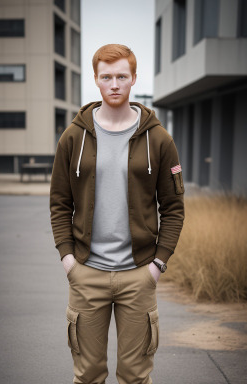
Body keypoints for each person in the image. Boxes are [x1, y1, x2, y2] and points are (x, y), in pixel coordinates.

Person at [49, 43, 185, 384]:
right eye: (106, 76)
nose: (114, 84)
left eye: (121, 76)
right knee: (88, 375)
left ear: (133, 79)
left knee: (136, 376)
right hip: (86, 274)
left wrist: (158, 265)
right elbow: (59, 202)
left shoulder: (159, 140)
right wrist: (68, 260)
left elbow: (173, 208)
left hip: (139, 275)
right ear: (96, 79)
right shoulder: (73, 137)